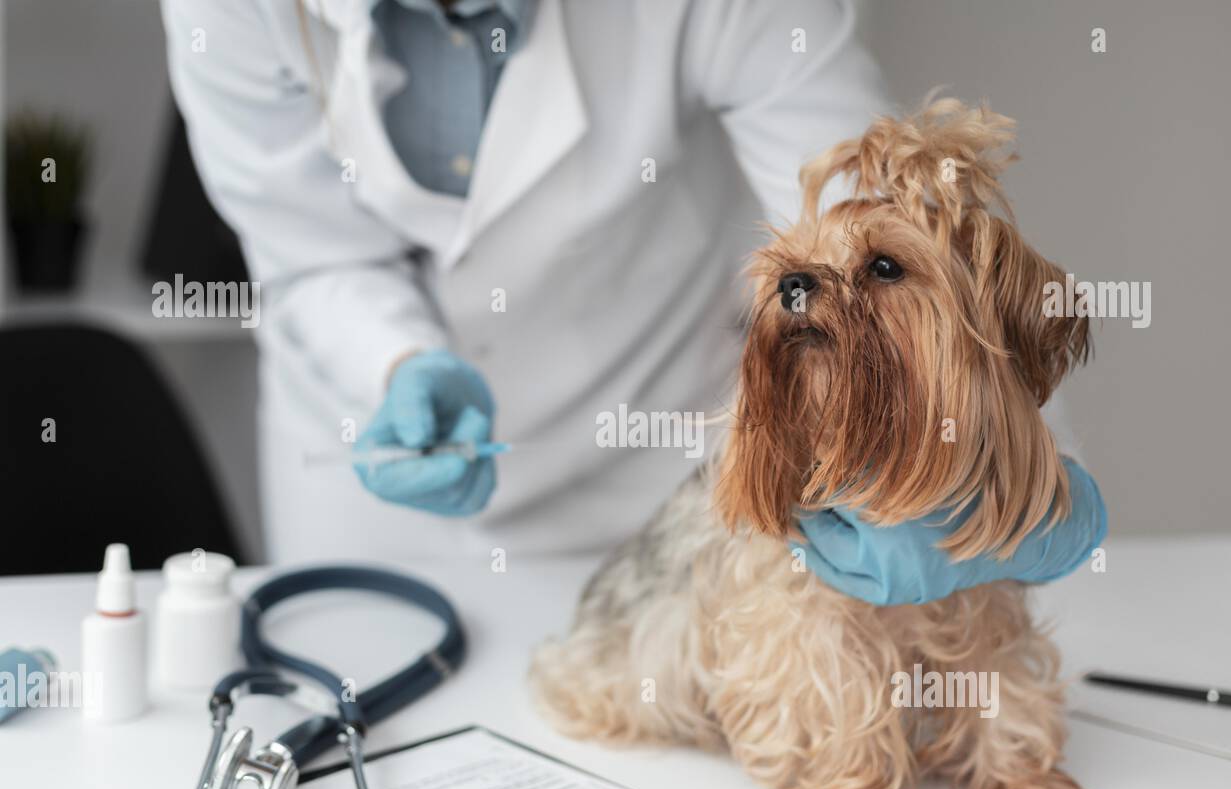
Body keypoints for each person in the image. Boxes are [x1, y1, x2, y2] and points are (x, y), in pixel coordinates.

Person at [162, 0, 1104, 605]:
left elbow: (892, 238)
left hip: (655, 484)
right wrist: (397, 364)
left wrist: (1016, 488)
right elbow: (314, 255)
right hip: (374, 497)